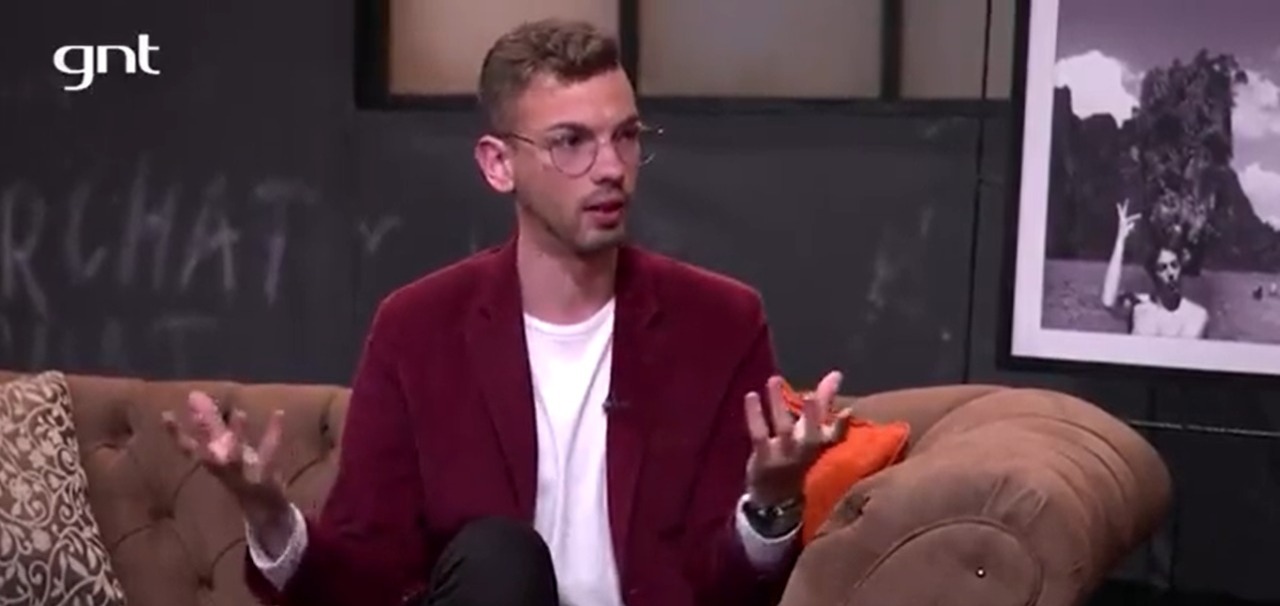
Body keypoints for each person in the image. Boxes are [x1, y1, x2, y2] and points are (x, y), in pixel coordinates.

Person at [162, 18, 850, 606]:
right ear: (498, 165)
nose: (611, 168)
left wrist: (770, 503)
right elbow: (363, 578)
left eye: (625, 136)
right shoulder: (419, 329)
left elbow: (726, 590)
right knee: (499, 558)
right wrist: (270, 516)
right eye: (571, 142)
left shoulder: (719, 324)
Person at [1100, 199, 1208, 338]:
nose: (1170, 273)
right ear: (1154, 273)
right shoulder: (1138, 307)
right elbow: (1108, 302)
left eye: (1174, 266)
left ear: (1181, 268)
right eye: (1163, 268)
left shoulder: (1197, 316)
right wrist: (1121, 240)